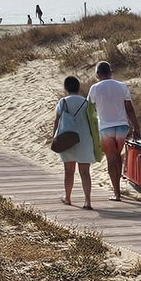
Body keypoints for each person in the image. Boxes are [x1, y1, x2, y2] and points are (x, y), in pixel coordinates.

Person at [87, 61, 141, 202]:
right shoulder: (122, 86)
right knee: (117, 155)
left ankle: (117, 193)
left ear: (97, 75)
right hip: (122, 126)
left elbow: (90, 111)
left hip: (105, 127)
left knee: (111, 159)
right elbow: (129, 108)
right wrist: (136, 126)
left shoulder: (94, 88)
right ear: (111, 72)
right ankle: (119, 188)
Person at [51, 75, 102, 209]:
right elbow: (93, 121)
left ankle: (67, 198)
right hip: (84, 140)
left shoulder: (63, 102)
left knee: (69, 171)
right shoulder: (86, 103)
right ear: (78, 88)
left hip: (67, 139)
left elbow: (57, 121)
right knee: (85, 172)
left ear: (65, 88)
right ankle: (87, 201)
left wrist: (54, 137)